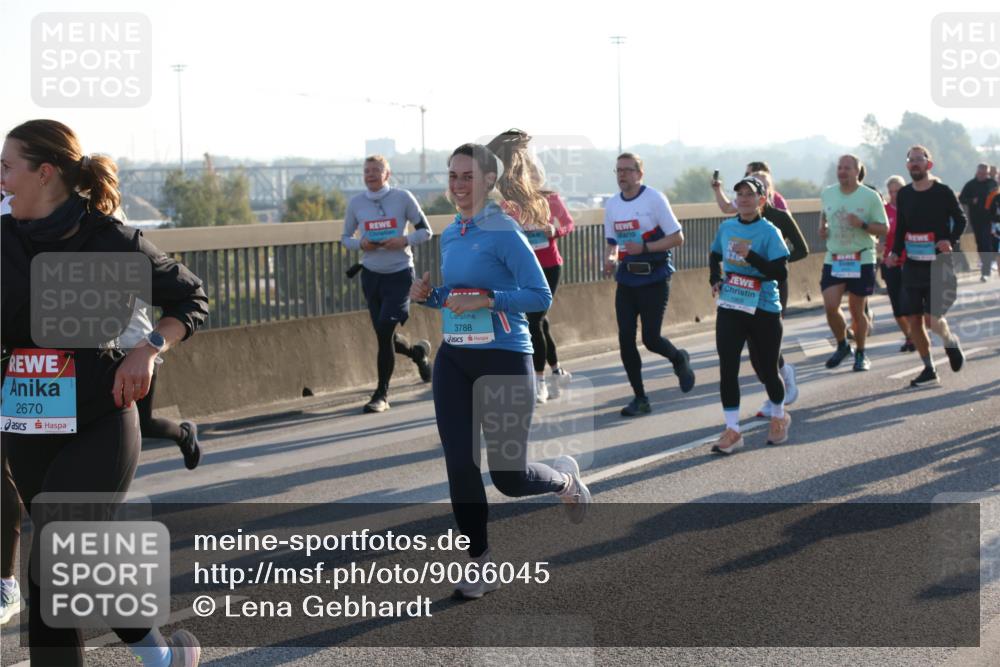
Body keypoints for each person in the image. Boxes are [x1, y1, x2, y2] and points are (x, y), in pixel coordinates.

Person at [1, 119, 208, 666]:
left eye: (6, 167)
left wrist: (147, 350)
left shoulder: (109, 238)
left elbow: (191, 298)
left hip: (100, 418)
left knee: (55, 546)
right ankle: (160, 654)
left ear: (45, 173)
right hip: (28, 424)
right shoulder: (2, 239)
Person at [410, 142, 590, 600]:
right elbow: (460, 295)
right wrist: (431, 295)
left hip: (504, 358)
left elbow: (539, 296)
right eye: (452, 175)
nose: (457, 184)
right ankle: (479, 562)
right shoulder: (452, 232)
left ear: (488, 181)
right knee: (460, 465)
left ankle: (565, 479)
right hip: (455, 358)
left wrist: (490, 301)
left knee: (508, 478)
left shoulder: (504, 230)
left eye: (467, 176)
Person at [603, 152, 695, 417]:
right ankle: (640, 397)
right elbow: (611, 243)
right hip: (627, 278)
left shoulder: (654, 199)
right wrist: (609, 260)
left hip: (655, 277)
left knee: (651, 339)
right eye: (618, 170)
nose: (622, 175)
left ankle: (679, 358)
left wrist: (645, 246)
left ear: (639, 174)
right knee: (625, 339)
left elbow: (677, 237)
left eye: (627, 170)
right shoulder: (612, 205)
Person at [342, 155, 434, 413]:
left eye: (376, 170)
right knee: (386, 336)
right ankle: (417, 354)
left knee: (384, 332)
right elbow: (345, 238)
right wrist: (361, 244)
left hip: (399, 274)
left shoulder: (403, 198)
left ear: (387, 174)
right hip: (371, 275)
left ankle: (381, 394)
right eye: (366, 171)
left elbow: (425, 231)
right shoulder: (356, 203)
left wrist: (403, 240)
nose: (370, 174)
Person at [708, 177, 791, 455]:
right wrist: (715, 278)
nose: (743, 199)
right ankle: (733, 430)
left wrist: (752, 256)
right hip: (732, 303)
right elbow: (715, 254)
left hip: (764, 306)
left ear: (762, 201)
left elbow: (780, 272)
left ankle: (779, 415)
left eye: (750, 195)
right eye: (739, 194)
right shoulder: (727, 226)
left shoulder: (769, 231)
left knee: (767, 369)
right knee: (727, 367)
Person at [491, 135, 574, 403]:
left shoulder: (548, 198)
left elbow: (568, 224)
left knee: (534, 321)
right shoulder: (507, 203)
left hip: (549, 266)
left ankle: (539, 382)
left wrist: (554, 229)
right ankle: (557, 370)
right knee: (540, 322)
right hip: (522, 269)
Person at [886, 145, 967, 387]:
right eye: (910, 160)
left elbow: (961, 219)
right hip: (912, 264)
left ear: (928, 164)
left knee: (932, 319)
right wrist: (894, 253)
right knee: (914, 320)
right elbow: (901, 228)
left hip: (938, 264)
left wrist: (948, 240)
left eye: (919, 160)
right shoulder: (905, 194)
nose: (914, 164)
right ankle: (929, 368)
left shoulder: (943, 191)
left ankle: (949, 340)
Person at [818, 155, 888, 372]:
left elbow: (884, 228)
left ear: (857, 171)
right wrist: (823, 228)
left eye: (847, 168)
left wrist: (862, 224)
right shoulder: (828, 193)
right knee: (830, 307)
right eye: (839, 167)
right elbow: (824, 214)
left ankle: (861, 353)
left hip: (861, 257)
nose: (842, 171)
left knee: (857, 311)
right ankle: (842, 345)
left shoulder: (869, 196)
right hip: (835, 258)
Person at [121, 298, 202, 468]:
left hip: (137, 353)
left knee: (143, 424)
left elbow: (188, 299)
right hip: (72, 359)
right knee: (63, 424)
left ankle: (184, 435)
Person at [880, 175, 915, 352]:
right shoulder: (884, 211)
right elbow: (877, 233)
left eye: (898, 191)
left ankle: (917, 336)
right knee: (897, 308)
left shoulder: (912, 208)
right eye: (891, 191)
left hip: (910, 262)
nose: (894, 195)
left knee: (908, 302)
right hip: (890, 263)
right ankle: (909, 336)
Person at [959, 163, 999, 282]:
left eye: (985, 174)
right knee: (980, 244)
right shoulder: (970, 185)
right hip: (976, 220)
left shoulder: (992, 183)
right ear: (977, 172)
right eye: (980, 173)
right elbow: (961, 198)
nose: (982, 176)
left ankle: (985, 272)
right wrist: (972, 201)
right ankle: (986, 266)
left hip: (991, 220)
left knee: (986, 244)